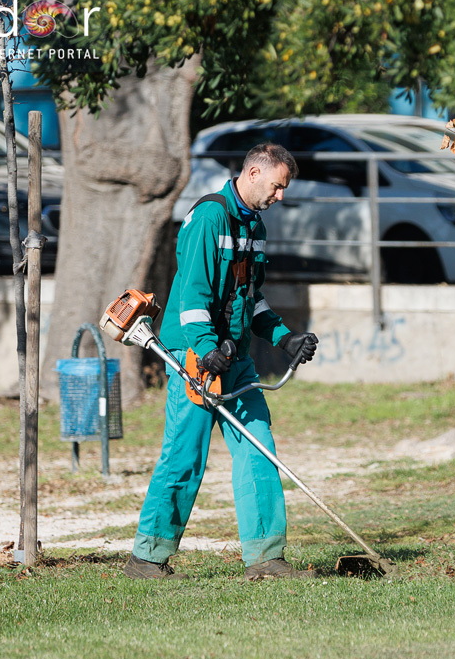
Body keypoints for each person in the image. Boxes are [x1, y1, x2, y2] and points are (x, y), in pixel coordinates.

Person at [125, 143, 320, 581]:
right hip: (197, 357)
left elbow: (251, 300)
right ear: (253, 173)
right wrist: (206, 349)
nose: (280, 196)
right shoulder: (209, 217)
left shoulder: (255, 227)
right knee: (184, 457)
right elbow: (193, 296)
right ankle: (147, 558)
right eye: (277, 187)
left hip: (236, 359)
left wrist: (285, 337)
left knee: (258, 447)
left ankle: (266, 558)